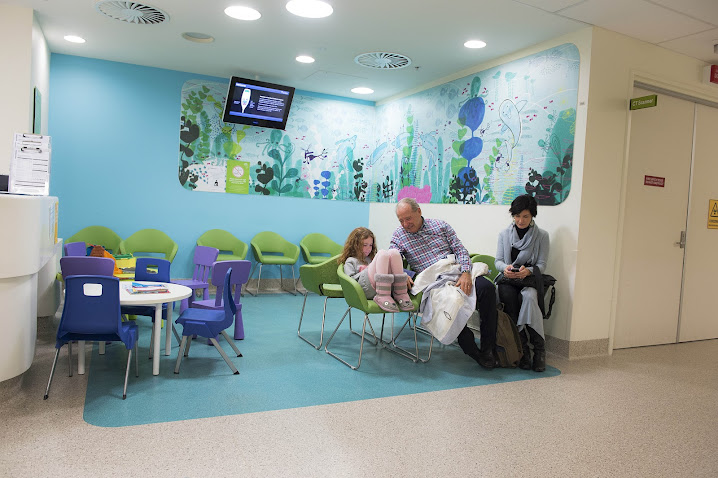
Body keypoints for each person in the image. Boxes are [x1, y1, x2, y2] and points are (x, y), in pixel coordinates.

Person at [390, 198, 498, 370]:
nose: (405, 224)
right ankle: (471, 350)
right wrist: (403, 273)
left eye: (408, 218)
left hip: (455, 269)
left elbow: (460, 250)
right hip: (433, 280)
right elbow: (393, 258)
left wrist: (465, 272)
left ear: (419, 211)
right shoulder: (399, 235)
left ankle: (488, 348)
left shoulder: (441, 226)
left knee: (487, 289)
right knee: (449, 303)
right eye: (401, 220)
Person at [495, 194, 550, 372]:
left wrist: (529, 270)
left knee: (529, 299)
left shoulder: (541, 236)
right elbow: (498, 261)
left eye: (525, 216)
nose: (520, 220)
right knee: (509, 302)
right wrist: (506, 268)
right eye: (517, 216)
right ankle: (523, 352)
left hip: (528, 281)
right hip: (508, 281)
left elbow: (541, 264)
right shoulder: (504, 234)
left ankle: (539, 351)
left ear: (532, 215)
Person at [338, 227, 414, 313]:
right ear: (355, 245)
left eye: (370, 245)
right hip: (363, 290)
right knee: (382, 254)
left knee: (394, 252)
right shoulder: (351, 261)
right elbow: (349, 282)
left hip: (380, 288)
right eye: (364, 245)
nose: (368, 248)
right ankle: (382, 295)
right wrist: (367, 270)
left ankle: (400, 293)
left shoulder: (370, 259)